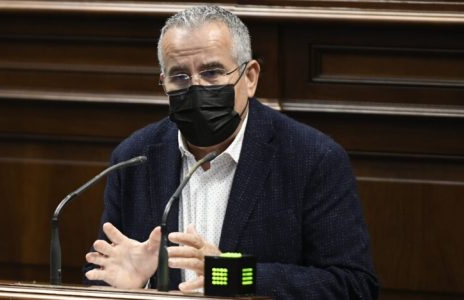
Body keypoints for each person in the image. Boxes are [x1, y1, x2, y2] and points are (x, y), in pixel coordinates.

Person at [84, 5, 378, 299]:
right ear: (164, 84)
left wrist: (235, 275)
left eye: (212, 73)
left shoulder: (312, 158)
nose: (196, 87)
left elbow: (353, 285)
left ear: (249, 77)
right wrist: (133, 287)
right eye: (180, 77)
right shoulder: (134, 158)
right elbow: (105, 274)